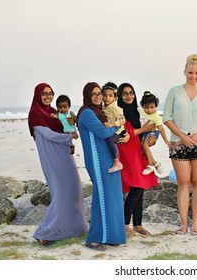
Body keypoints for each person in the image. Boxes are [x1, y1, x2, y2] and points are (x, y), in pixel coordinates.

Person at [162, 54, 197, 236]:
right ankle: (183, 224)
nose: (194, 76)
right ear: (185, 71)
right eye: (191, 72)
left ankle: (195, 225)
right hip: (179, 144)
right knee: (184, 183)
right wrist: (182, 137)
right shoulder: (174, 92)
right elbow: (166, 118)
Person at [28, 83, 87, 246]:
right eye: (44, 94)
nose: (48, 97)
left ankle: (74, 228)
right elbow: (49, 135)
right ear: (37, 96)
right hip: (52, 158)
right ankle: (46, 232)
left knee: (73, 188)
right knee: (61, 192)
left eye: (50, 93)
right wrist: (70, 138)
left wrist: (71, 133)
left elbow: (65, 127)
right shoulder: (36, 113)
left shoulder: (53, 113)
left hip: (64, 154)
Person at [77, 82, 126, 250]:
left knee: (112, 195)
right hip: (98, 160)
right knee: (103, 196)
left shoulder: (100, 113)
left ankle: (112, 235)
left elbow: (109, 131)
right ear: (87, 97)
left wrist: (115, 127)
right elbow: (103, 132)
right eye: (94, 94)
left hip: (108, 159)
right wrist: (119, 126)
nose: (98, 97)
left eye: (99, 93)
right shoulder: (87, 113)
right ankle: (95, 239)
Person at [117, 83, 159, 237]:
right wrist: (143, 130)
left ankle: (138, 224)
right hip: (127, 152)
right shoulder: (118, 112)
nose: (129, 96)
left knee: (140, 188)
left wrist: (151, 139)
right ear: (120, 96)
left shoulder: (138, 111)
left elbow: (149, 129)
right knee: (136, 188)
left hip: (139, 151)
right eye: (125, 93)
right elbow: (123, 133)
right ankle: (125, 224)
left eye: (131, 93)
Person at [137, 91, 170, 175]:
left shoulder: (156, 117)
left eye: (152, 107)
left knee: (145, 146)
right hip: (144, 132)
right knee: (143, 149)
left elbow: (161, 128)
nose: (149, 110)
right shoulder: (140, 110)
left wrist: (166, 141)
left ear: (156, 106)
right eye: (146, 107)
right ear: (143, 106)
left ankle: (150, 165)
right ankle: (156, 164)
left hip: (153, 132)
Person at [101, 81, 130, 173]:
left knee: (109, 140)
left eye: (110, 96)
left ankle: (117, 162)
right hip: (111, 131)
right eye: (105, 95)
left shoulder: (117, 109)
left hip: (120, 132)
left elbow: (122, 120)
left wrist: (112, 124)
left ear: (115, 97)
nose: (107, 98)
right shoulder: (102, 108)